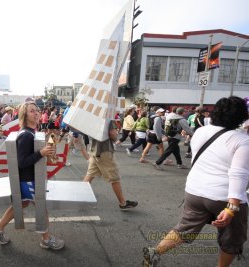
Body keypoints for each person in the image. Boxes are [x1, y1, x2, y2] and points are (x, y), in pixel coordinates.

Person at [143, 96, 249, 267]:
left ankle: (155, 252)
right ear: (241, 117)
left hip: (195, 191)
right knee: (232, 239)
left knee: (184, 229)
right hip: (224, 197)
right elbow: (239, 174)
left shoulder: (201, 132)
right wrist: (232, 208)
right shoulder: (241, 140)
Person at [0, 101, 65, 250]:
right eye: (31, 111)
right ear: (24, 115)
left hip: (27, 179)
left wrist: (43, 151)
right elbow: (22, 162)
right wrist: (41, 153)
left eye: (37, 110)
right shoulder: (26, 136)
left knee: (21, 204)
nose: (36, 113)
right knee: (41, 207)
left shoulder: (30, 133)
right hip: (28, 180)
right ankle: (46, 240)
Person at [84, 120, 138, 211]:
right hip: (105, 151)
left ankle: (80, 195)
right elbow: (112, 134)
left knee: (90, 175)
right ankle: (123, 203)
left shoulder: (94, 118)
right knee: (114, 178)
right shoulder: (108, 119)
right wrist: (115, 134)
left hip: (94, 151)